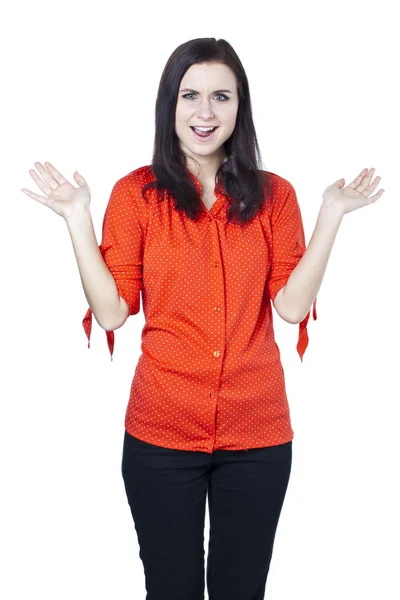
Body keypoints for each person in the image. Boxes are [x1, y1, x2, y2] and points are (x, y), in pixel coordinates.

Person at [21, 37, 384, 600]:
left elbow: (290, 307)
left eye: (222, 96)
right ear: (170, 104)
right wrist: (76, 216)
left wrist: (331, 214)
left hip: (257, 436)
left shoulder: (274, 196)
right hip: (162, 434)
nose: (205, 112)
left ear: (241, 107)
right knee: (173, 589)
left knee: (241, 591)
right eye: (190, 95)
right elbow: (112, 312)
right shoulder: (137, 195)